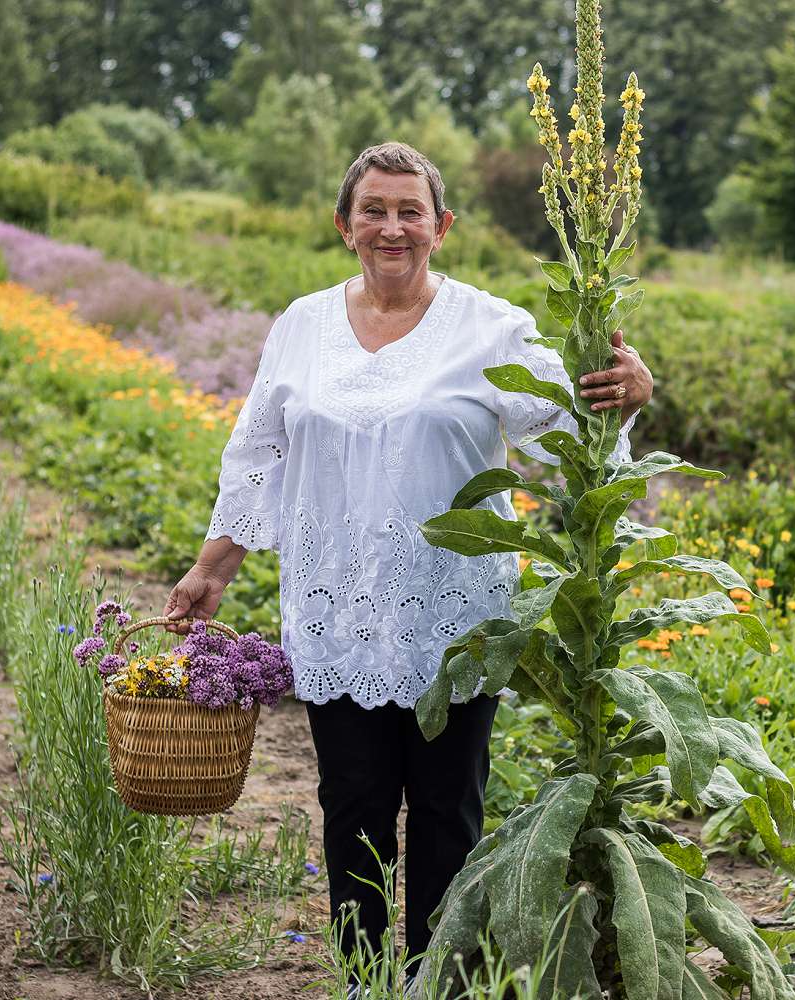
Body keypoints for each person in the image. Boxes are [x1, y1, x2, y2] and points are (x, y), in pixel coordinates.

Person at [162, 141, 653, 978]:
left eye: (410, 212)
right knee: (349, 807)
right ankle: (364, 984)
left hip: (453, 623)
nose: (392, 227)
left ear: (442, 225)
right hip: (336, 612)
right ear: (345, 224)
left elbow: (573, 435)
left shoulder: (491, 326)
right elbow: (258, 453)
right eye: (374, 211)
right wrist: (212, 569)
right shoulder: (303, 325)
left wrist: (625, 394)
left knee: (444, 812)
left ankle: (441, 984)